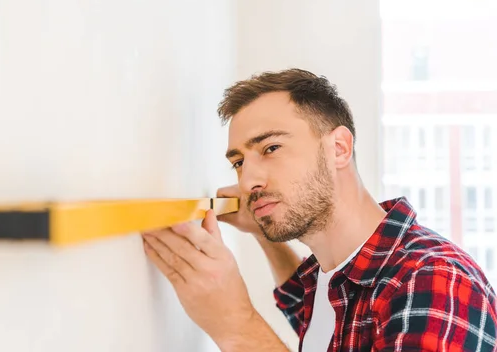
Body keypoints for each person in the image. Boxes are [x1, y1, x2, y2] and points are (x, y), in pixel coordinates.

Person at [141, 68, 497, 351]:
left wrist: (236, 326)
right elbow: (320, 327)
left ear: (339, 148)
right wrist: (264, 234)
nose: (248, 180)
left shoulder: (430, 281)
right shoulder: (338, 274)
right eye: (238, 162)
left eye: (270, 148)